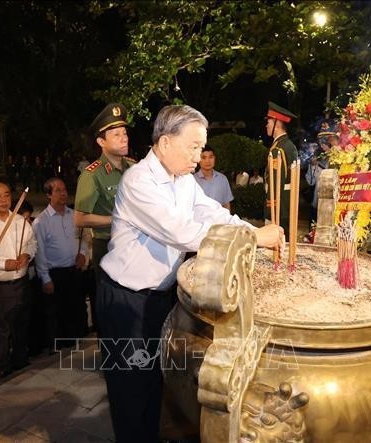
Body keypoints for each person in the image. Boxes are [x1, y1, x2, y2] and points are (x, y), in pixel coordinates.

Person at [97, 104, 284, 443]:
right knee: (130, 388)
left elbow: (212, 213)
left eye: (201, 147)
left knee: (155, 379)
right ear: (166, 143)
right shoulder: (139, 180)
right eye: (193, 146)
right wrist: (253, 238)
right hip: (127, 300)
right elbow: (183, 232)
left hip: (160, 296)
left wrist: (252, 230)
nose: (199, 156)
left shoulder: (182, 179)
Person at [74, 103, 135, 330]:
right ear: (101, 142)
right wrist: (116, 219)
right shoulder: (92, 175)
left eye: (125, 133)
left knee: (131, 301)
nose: (124, 138)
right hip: (107, 245)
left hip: (134, 244)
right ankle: (110, 355)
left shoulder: (134, 168)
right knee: (110, 303)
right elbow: (79, 219)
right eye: (116, 134)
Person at [0, 180, 37, 377]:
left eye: (7, 194)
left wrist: (27, 255)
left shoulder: (19, 220)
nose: (4, 200)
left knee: (21, 324)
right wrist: (6, 264)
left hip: (22, 282)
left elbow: (31, 243)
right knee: (1, 329)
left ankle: (21, 360)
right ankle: (2, 366)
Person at [33, 177, 89, 351]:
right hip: (55, 273)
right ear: (49, 195)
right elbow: (40, 251)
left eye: (64, 190)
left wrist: (83, 253)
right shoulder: (41, 221)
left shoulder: (74, 216)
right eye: (57, 190)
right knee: (57, 312)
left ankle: (76, 340)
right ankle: (58, 346)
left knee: (76, 307)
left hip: (74, 270)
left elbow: (84, 237)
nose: (63, 194)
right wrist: (45, 277)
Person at [264, 101, 299, 235]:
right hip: (288, 206)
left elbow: (275, 183)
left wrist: (270, 209)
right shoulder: (289, 145)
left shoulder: (278, 149)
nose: (267, 125)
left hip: (279, 210)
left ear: (277, 124)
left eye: (269, 121)